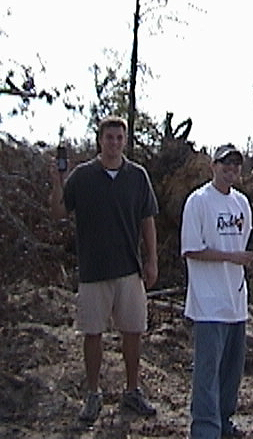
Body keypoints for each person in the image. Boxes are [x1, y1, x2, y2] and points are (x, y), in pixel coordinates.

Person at [49, 116, 159, 423]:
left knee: (133, 331)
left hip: (129, 269)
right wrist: (57, 182)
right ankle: (93, 394)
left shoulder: (137, 176)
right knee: (92, 333)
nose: (114, 143)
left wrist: (152, 260)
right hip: (93, 271)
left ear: (125, 141)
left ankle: (132, 391)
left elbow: (147, 219)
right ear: (100, 140)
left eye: (119, 138)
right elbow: (59, 212)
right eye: (109, 137)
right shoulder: (82, 177)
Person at [181, 143, 253, 439]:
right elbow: (191, 249)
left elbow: (244, 242)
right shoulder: (198, 201)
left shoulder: (241, 203)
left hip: (235, 300)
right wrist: (230, 257)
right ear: (213, 166)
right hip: (208, 302)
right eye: (225, 164)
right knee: (207, 370)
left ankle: (224, 421)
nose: (230, 170)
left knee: (231, 370)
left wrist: (243, 257)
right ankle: (205, 428)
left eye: (235, 165)